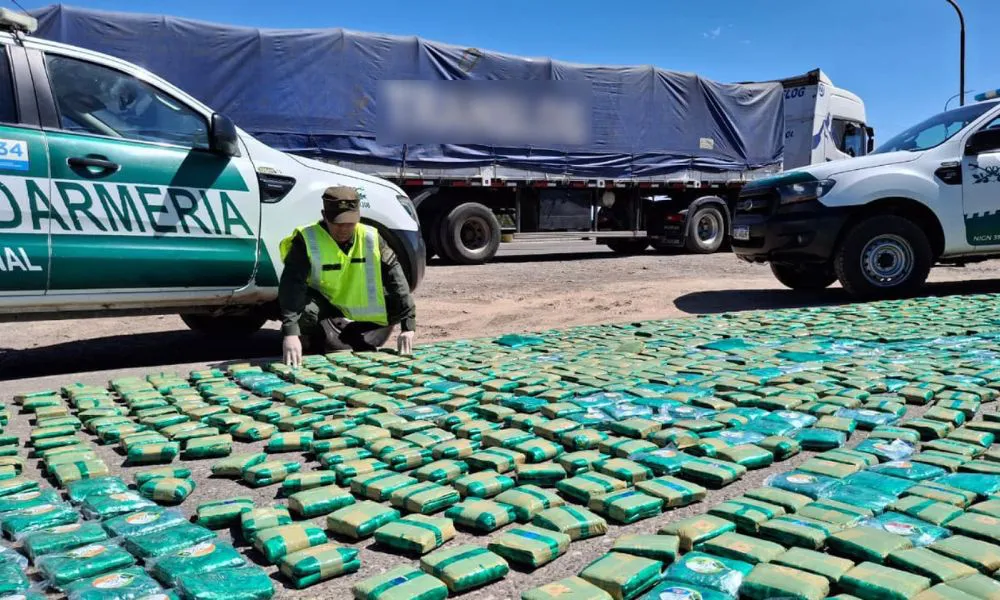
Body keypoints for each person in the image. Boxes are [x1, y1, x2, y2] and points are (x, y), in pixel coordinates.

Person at [278, 186, 416, 367]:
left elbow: (396, 280)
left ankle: (355, 338)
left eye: (350, 223)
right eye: (338, 223)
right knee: (304, 312)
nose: (344, 229)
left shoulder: (371, 237)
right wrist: (290, 334)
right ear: (325, 215)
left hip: (360, 309)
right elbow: (292, 286)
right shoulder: (307, 239)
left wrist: (408, 327)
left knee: (396, 302)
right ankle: (313, 342)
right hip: (325, 306)